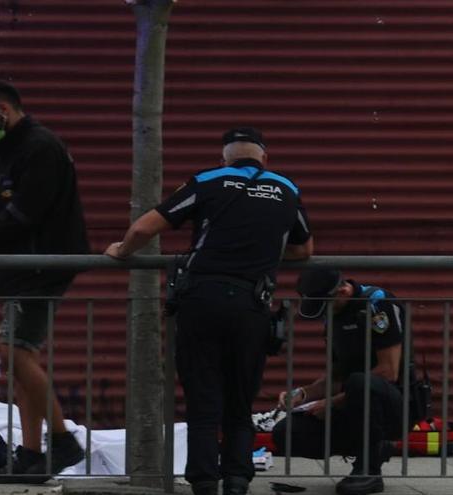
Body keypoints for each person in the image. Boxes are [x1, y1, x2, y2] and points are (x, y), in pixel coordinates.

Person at [105, 127, 313, 495]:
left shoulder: (208, 180)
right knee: (241, 396)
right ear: (265, 159)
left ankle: (203, 481)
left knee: (203, 396)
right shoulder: (286, 189)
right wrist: (257, 254)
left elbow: (144, 227)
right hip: (253, 305)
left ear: (225, 159)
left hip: (203, 300)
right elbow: (303, 250)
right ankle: (236, 479)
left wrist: (121, 250)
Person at [0, 80, 89, 483]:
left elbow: (25, 214)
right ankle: (31, 454)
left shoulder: (38, 147)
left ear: (4, 109)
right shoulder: (12, 151)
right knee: (19, 362)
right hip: (23, 269)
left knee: (14, 353)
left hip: (40, 268)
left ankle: (62, 442)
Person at [273, 268, 417, 495]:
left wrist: (331, 403)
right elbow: (336, 378)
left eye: (326, 305)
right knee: (286, 433)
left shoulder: (377, 304)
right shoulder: (333, 318)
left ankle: (368, 471)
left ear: (342, 290)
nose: (325, 313)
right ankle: (373, 447)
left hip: (394, 405)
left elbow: (388, 372)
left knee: (361, 382)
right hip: (352, 403)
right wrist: (302, 394)